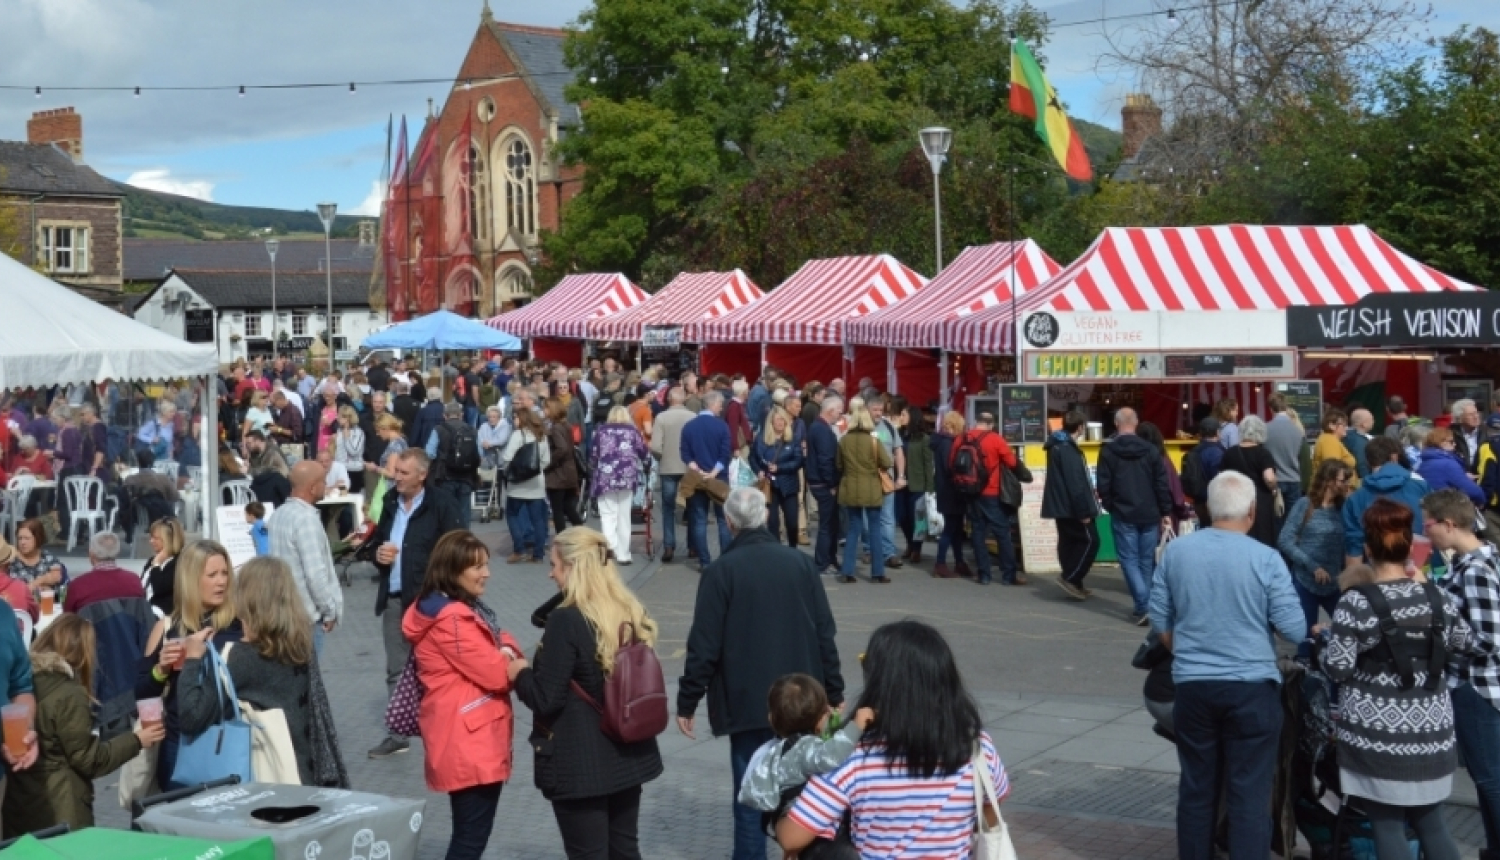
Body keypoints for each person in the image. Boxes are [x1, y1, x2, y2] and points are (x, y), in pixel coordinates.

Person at [677, 486, 843, 860]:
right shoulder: (799, 563)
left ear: (730, 523)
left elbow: (704, 644)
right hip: (804, 700)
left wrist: (688, 700)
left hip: (749, 703)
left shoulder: (721, 571)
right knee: (809, 795)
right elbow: (824, 630)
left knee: (752, 797)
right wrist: (833, 689)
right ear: (766, 517)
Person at [1149, 470, 1305, 860]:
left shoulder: (1177, 552)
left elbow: (1160, 620)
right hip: (1252, 687)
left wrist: (1187, 647)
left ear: (1208, 509)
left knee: (1198, 788)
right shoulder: (1266, 558)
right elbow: (1294, 627)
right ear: (1251, 511)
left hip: (1193, 687)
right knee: (1249, 794)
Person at [777, 620, 1009, 857]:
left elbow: (792, 838)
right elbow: (989, 811)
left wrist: (782, 806)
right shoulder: (976, 746)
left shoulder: (853, 754)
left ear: (882, 683)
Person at [1320, 498, 1470, 860]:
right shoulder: (1439, 599)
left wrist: (1326, 646)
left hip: (1376, 733)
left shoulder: (1356, 603)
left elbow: (1337, 667)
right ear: (1408, 550)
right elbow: (1463, 643)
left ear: (1368, 549)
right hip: (1432, 729)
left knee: (1386, 825)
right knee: (1433, 824)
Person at [513, 527, 664, 860]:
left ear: (573, 567)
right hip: (628, 755)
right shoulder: (627, 609)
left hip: (581, 765)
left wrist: (518, 672)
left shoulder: (566, 621)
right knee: (625, 850)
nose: (551, 573)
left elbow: (544, 698)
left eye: (554, 565)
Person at [402, 532, 523, 860]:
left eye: (486, 564)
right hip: (471, 737)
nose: (487, 573)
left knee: (469, 833)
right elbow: (498, 673)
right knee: (470, 839)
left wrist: (504, 647)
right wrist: (508, 653)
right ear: (452, 570)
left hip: (462, 732)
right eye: (477, 567)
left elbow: (501, 639)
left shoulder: (453, 608)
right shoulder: (454, 618)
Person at [179, 556, 346, 789]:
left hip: (268, 783)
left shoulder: (240, 657)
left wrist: (192, 660)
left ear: (246, 598)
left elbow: (191, 717)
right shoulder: (301, 647)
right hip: (306, 772)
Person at [0, 615, 163, 838]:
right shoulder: (68, 693)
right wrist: (137, 741)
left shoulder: (18, 684)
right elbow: (88, 759)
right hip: (62, 808)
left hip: (17, 806)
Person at [370, 449, 464, 760]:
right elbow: (376, 543)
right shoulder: (389, 503)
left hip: (431, 601)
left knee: (438, 667)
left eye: (403, 473)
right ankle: (398, 734)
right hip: (395, 597)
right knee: (395, 668)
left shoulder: (442, 505)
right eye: (395, 471)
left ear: (422, 475)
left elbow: (460, 550)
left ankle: (446, 725)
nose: (396, 477)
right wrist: (378, 555)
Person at [1423, 490, 1500, 858]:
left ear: (1449, 525)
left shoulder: (1475, 571)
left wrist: (1444, 628)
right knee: (1487, 780)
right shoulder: (1475, 563)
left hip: (1477, 688)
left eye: (1429, 525)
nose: (1426, 534)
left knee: (1490, 779)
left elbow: (1489, 640)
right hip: (1477, 688)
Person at [137, 539, 243, 790]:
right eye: (212, 574)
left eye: (225, 573)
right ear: (191, 580)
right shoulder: (166, 629)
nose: (222, 581)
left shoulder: (240, 626)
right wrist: (160, 670)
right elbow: (141, 693)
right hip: (179, 746)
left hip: (227, 739)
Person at [737, 674, 872, 859]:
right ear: (820, 720)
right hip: (811, 828)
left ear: (771, 719)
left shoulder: (770, 752)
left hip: (787, 821)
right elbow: (831, 755)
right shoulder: (805, 749)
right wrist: (856, 725)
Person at [1097, 407, 1171, 621]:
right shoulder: (1151, 450)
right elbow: (1161, 483)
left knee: (1129, 559)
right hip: (1149, 511)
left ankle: (1143, 603)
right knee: (1146, 560)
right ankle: (1145, 604)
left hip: (1123, 511)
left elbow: (1104, 484)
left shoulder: (1108, 451)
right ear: (1136, 423)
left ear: (1116, 423)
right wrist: (1165, 510)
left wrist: (1111, 505)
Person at [1277, 459, 1353, 658]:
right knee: (1306, 641)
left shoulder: (1345, 508)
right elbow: (1285, 540)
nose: (1347, 485)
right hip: (1305, 581)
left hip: (1336, 582)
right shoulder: (1305, 505)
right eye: (1343, 480)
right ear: (1328, 480)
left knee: (1347, 630)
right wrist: (1313, 566)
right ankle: (1304, 679)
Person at [268, 460, 343, 654]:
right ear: (312, 487)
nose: (325, 486)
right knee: (309, 681)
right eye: (324, 482)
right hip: (306, 618)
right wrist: (329, 610)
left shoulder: (278, 514)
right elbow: (315, 574)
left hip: (283, 613)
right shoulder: (306, 520)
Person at [1344, 435, 1430, 568]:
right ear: (1394, 457)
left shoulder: (1355, 498)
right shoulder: (1420, 484)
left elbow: (1354, 547)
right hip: (1421, 564)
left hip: (1378, 571)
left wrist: (1353, 585)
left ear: (1368, 460)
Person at [1042, 410, 1101, 600]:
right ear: (1080, 427)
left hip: (1061, 505)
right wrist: (1083, 510)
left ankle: (1074, 582)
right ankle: (1071, 577)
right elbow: (1075, 483)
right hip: (1071, 506)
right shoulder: (1067, 447)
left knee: (1070, 542)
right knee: (1091, 540)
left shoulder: (1057, 445)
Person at [836, 407, 893, 585]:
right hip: (871, 488)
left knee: (853, 530)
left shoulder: (844, 441)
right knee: (875, 529)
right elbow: (887, 462)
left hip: (851, 487)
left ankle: (847, 571)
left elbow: (839, 465)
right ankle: (877, 573)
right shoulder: (874, 441)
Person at [590, 406, 650, 566]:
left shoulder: (601, 431)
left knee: (608, 516)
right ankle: (623, 554)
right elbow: (644, 452)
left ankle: (609, 550)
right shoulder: (632, 431)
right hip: (627, 476)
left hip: (606, 477)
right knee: (624, 516)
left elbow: (594, 455)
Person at [681, 390, 734, 570]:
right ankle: (726, 560)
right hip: (719, 478)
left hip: (697, 478)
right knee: (723, 519)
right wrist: (714, 471)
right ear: (713, 404)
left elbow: (685, 453)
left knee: (699, 519)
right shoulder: (722, 426)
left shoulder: (689, 426)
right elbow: (725, 453)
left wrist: (695, 467)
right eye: (720, 405)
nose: (721, 408)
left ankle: (704, 561)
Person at [1219, 414, 1280, 549]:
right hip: (1259, 501)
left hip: (1235, 500)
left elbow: (1222, 477)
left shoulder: (1230, 453)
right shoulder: (1263, 453)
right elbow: (1269, 478)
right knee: (1261, 541)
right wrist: (1275, 487)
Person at [501, 406, 552, 563]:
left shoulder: (518, 435)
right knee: (538, 520)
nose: (514, 421)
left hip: (517, 484)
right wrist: (536, 471)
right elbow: (546, 460)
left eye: (516, 418)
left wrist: (511, 471)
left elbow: (507, 457)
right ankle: (538, 554)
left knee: (512, 515)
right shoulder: (541, 436)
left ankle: (519, 549)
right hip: (536, 483)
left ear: (521, 419)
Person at [752, 405, 805, 550]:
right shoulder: (761, 439)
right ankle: (776, 551)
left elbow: (798, 460)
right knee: (773, 523)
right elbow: (753, 458)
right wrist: (758, 471)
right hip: (769, 487)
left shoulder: (792, 439)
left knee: (792, 522)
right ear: (771, 422)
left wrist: (780, 468)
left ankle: (793, 548)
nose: (780, 422)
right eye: (777, 420)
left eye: (783, 419)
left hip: (788, 485)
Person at [650, 387, 693, 564]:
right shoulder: (692, 417)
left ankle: (669, 545)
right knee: (692, 508)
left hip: (668, 467)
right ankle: (693, 546)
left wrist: (662, 457)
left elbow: (655, 446)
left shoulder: (661, 418)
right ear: (683, 399)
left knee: (668, 508)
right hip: (689, 467)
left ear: (669, 399)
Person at [425, 400, 481, 530]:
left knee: (447, 510)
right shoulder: (472, 430)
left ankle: (449, 538)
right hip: (467, 476)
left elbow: (429, 453)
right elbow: (479, 455)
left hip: (445, 476)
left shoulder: (438, 429)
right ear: (461, 415)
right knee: (464, 511)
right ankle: (464, 538)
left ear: (444, 415)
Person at [928, 410, 970, 580]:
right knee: (950, 528)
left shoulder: (942, 442)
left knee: (956, 529)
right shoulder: (947, 444)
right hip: (950, 491)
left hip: (946, 490)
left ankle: (959, 562)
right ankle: (940, 563)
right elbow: (949, 467)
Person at [805, 395, 844, 576]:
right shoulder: (821, 430)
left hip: (819, 480)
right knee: (827, 525)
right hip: (823, 483)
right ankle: (822, 563)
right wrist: (832, 483)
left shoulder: (819, 427)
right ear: (830, 410)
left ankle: (830, 559)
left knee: (831, 524)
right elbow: (825, 459)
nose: (840, 415)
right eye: (839, 411)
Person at [63, 532, 145, 615]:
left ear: (91, 554)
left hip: (90, 627)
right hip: (129, 627)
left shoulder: (78, 586)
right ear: (117, 552)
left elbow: (68, 618)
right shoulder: (134, 581)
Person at [544, 397, 587, 537]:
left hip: (558, 474)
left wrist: (548, 463)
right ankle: (581, 530)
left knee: (557, 509)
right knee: (568, 506)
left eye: (546, 408)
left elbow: (561, 448)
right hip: (569, 471)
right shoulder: (566, 425)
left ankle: (561, 538)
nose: (544, 411)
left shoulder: (556, 428)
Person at [895, 404, 932, 564]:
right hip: (900, 484)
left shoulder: (923, 438)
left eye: (903, 414)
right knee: (902, 517)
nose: (900, 417)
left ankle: (916, 548)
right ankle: (910, 543)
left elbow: (928, 464)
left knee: (918, 518)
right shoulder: (898, 435)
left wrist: (930, 488)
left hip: (918, 484)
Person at [1417, 426, 1486, 507]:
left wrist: (1463, 475)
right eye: (1451, 441)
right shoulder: (1447, 464)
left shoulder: (1425, 461)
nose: (1455, 444)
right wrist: (1482, 501)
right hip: (1448, 509)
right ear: (1441, 443)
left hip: (1433, 507)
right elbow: (1474, 492)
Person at [1265, 394, 1306, 513]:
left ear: (1271, 409)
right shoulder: (1298, 430)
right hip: (1294, 479)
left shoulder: (1266, 429)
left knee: (1277, 519)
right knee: (1292, 520)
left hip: (1275, 480)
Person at [1180, 417, 1225, 517]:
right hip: (1213, 502)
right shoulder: (1217, 453)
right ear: (1217, 432)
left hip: (1197, 501)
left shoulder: (1193, 451)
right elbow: (1218, 479)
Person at [140, 516, 184, 618]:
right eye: (151, 537)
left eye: (156, 538)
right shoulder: (152, 560)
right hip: (144, 608)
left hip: (162, 613)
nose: (151, 541)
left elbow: (159, 588)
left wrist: (156, 565)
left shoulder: (179, 563)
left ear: (168, 540)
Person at [1312, 408, 1360, 490]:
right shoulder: (1329, 441)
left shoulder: (1331, 440)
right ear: (1332, 426)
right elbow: (1334, 470)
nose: (1346, 428)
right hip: (1336, 492)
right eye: (1344, 425)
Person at [10, 518, 64, 590]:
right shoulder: (11, 559)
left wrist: (38, 581)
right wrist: (42, 583)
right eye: (20, 538)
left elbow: (56, 576)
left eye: (27, 538)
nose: (22, 542)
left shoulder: (47, 557)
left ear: (38, 538)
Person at [333, 404, 366, 495]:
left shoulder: (358, 432)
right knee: (341, 496)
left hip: (353, 471)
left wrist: (347, 438)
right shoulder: (339, 430)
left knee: (352, 496)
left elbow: (354, 452)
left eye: (339, 416)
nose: (337, 418)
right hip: (340, 470)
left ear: (347, 418)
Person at [1453, 398, 1484, 475]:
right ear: (1460, 418)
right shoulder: (1451, 434)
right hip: (1460, 477)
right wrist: (1463, 473)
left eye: (1476, 413)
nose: (1476, 416)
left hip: (1484, 477)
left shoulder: (1488, 432)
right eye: (1471, 414)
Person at [478, 405, 510, 471]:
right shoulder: (484, 426)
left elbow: (501, 440)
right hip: (487, 458)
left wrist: (489, 443)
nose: (491, 419)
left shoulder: (505, 425)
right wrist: (480, 454)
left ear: (499, 417)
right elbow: (480, 440)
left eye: (494, 417)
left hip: (501, 458)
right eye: (489, 417)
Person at [1346, 408, 1375, 480]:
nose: (1373, 422)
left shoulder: (1348, 436)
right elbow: (1361, 463)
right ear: (1364, 424)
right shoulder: (1359, 441)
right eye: (1371, 419)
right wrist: (1367, 480)